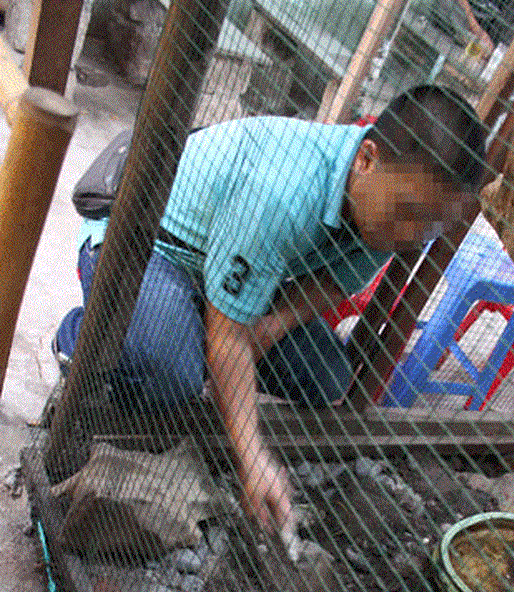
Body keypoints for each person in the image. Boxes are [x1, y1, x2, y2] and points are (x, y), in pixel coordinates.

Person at [55, 85, 486, 533]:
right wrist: (253, 456)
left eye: (431, 225)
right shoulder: (284, 190)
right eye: (410, 214)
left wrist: (272, 322)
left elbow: (331, 283)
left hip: (220, 266)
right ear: (367, 159)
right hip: (149, 242)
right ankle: (80, 335)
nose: (414, 237)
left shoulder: (392, 219)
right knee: (171, 378)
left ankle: (187, 328)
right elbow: (227, 339)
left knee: (326, 375)